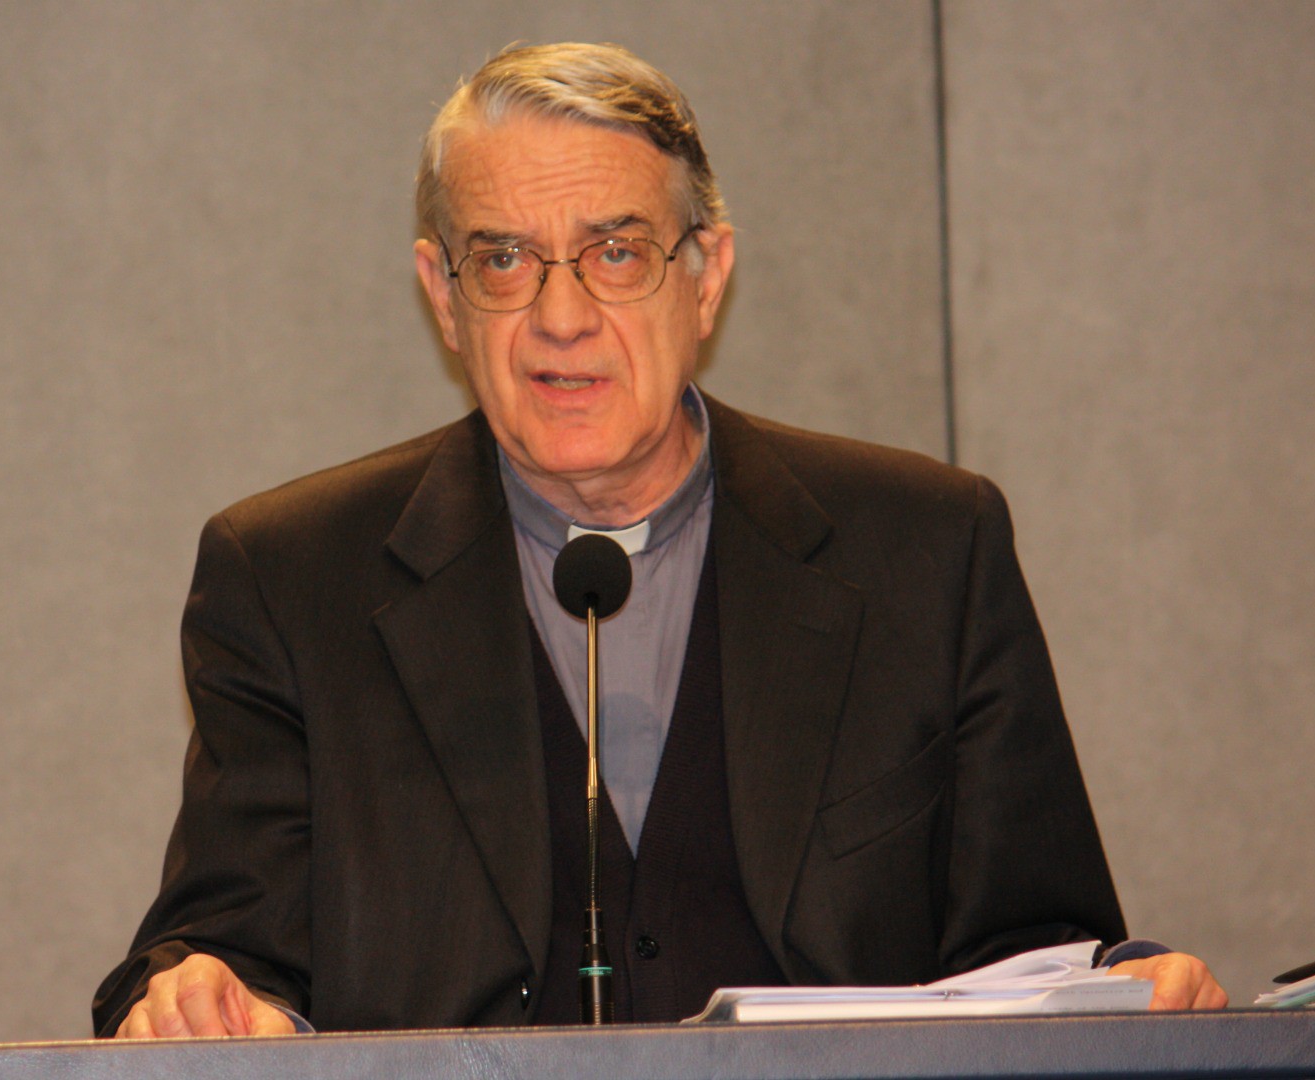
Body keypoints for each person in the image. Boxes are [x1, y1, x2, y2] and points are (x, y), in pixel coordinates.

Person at [94, 42, 1227, 1040]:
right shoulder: (292, 578)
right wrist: (209, 997)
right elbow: (228, 954)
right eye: (503, 260)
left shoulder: (927, 551)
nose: (561, 315)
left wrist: (1129, 984)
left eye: (617, 252)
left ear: (707, 278)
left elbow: (1036, 947)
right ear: (442, 296)